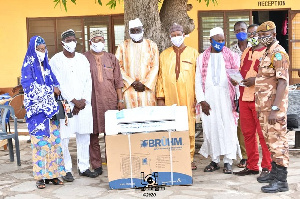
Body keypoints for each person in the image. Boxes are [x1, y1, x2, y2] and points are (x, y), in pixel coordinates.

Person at [50, 29, 97, 182]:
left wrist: (82, 100)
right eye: (68, 40)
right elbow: (58, 83)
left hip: (83, 104)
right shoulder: (55, 60)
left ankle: (83, 167)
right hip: (66, 104)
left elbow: (88, 80)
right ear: (62, 42)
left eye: (73, 40)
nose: (72, 42)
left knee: (84, 136)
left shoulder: (83, 59)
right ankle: (67, 169)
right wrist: (73, 100)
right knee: (64, 137)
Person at [21, 36, 65, 189]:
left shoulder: (46, 65)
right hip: (37, 114)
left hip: (51, 112)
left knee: (54, 143)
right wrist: (50, 90)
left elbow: (55, 81)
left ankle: (53, 175)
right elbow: (29, 88)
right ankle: (40, 178)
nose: (42, 52)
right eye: (39, 49)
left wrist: (56, 87)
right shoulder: (27, 66)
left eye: (44, 49)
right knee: (40, 145)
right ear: (33, 50)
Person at [195, 27, 241, 174]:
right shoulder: (201, 57)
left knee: (229, 128)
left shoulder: (232, 56)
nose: (220, 43)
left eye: (222, 40)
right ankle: (214, 160)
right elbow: (197, 80)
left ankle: (228, 160)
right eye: (217, 40)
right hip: (208, 99)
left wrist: (237, 95)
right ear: (210, 40)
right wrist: (202, 101)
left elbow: (238, 79)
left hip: (227, 98)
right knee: (211, 128)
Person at [156, 23, 199, 170]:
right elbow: (160, 77)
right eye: (173, 35)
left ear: (183, 34)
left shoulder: (194, 53)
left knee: (189, 126)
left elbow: (198, 78)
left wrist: (198, 97)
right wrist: (160, 98)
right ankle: (173, 157)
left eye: (178, 34)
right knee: (172, 126)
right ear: (169, 37)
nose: (176, 37)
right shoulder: (164, 54)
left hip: (189, 97)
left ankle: (189, 157)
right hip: (170, 97)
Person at [255, 21, 289, 193]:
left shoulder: (278, 53)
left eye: (264, 35)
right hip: (265, 107)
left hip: (274, 109)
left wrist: (275, 109)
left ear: (274, 35)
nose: (261, 38)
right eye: (260, 36)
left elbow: (282, 82)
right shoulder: (267, 52)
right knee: (270, 142)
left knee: (278, 143)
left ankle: (281, 181)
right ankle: (274, 174)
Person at [84, 29, 124, 176]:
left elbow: (118, 80)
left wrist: (120, 100)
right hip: (91, 102)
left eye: (101, 40)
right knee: (92, 134)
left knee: (111, 133)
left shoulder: (112, 58)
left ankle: (112, 162)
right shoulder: (84, 58)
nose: (99, 42)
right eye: (96, 40)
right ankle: (96, 165)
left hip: (110, 101)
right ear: (90, 42)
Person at [233, 24, 272, 177]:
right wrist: (236, 79)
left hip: (260, 99)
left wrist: (255, 80)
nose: (252, 36)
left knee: (263, 135)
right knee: (248, 134)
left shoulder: (269, 53)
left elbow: (273, 76)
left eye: (254, 33)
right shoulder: (246, 52)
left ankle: (267, 167)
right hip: (244, 97)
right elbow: (242, 71)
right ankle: (252, 166)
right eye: (250, 34)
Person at [115, 18, 159, 108]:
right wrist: (132, 82)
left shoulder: (152, 45)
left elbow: (155, 66)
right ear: (129, 32)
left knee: (148, 118)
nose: (135, 33)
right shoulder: (123, 46)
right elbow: (117, 66)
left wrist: (144, 84)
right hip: (129, 90)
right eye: (133, 31)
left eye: (138, 30)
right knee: (131, 118)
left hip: (146, 90)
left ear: (143, 30)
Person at [230, 21, 249, 168]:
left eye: (243, 29)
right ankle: (245, 156)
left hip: (254, 91)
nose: (240, 32)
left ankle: (255, 154)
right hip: (237, 93)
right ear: (234, 32)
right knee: (241, 126)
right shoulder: (231, 51)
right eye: (238, 30)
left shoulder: (254, 49)